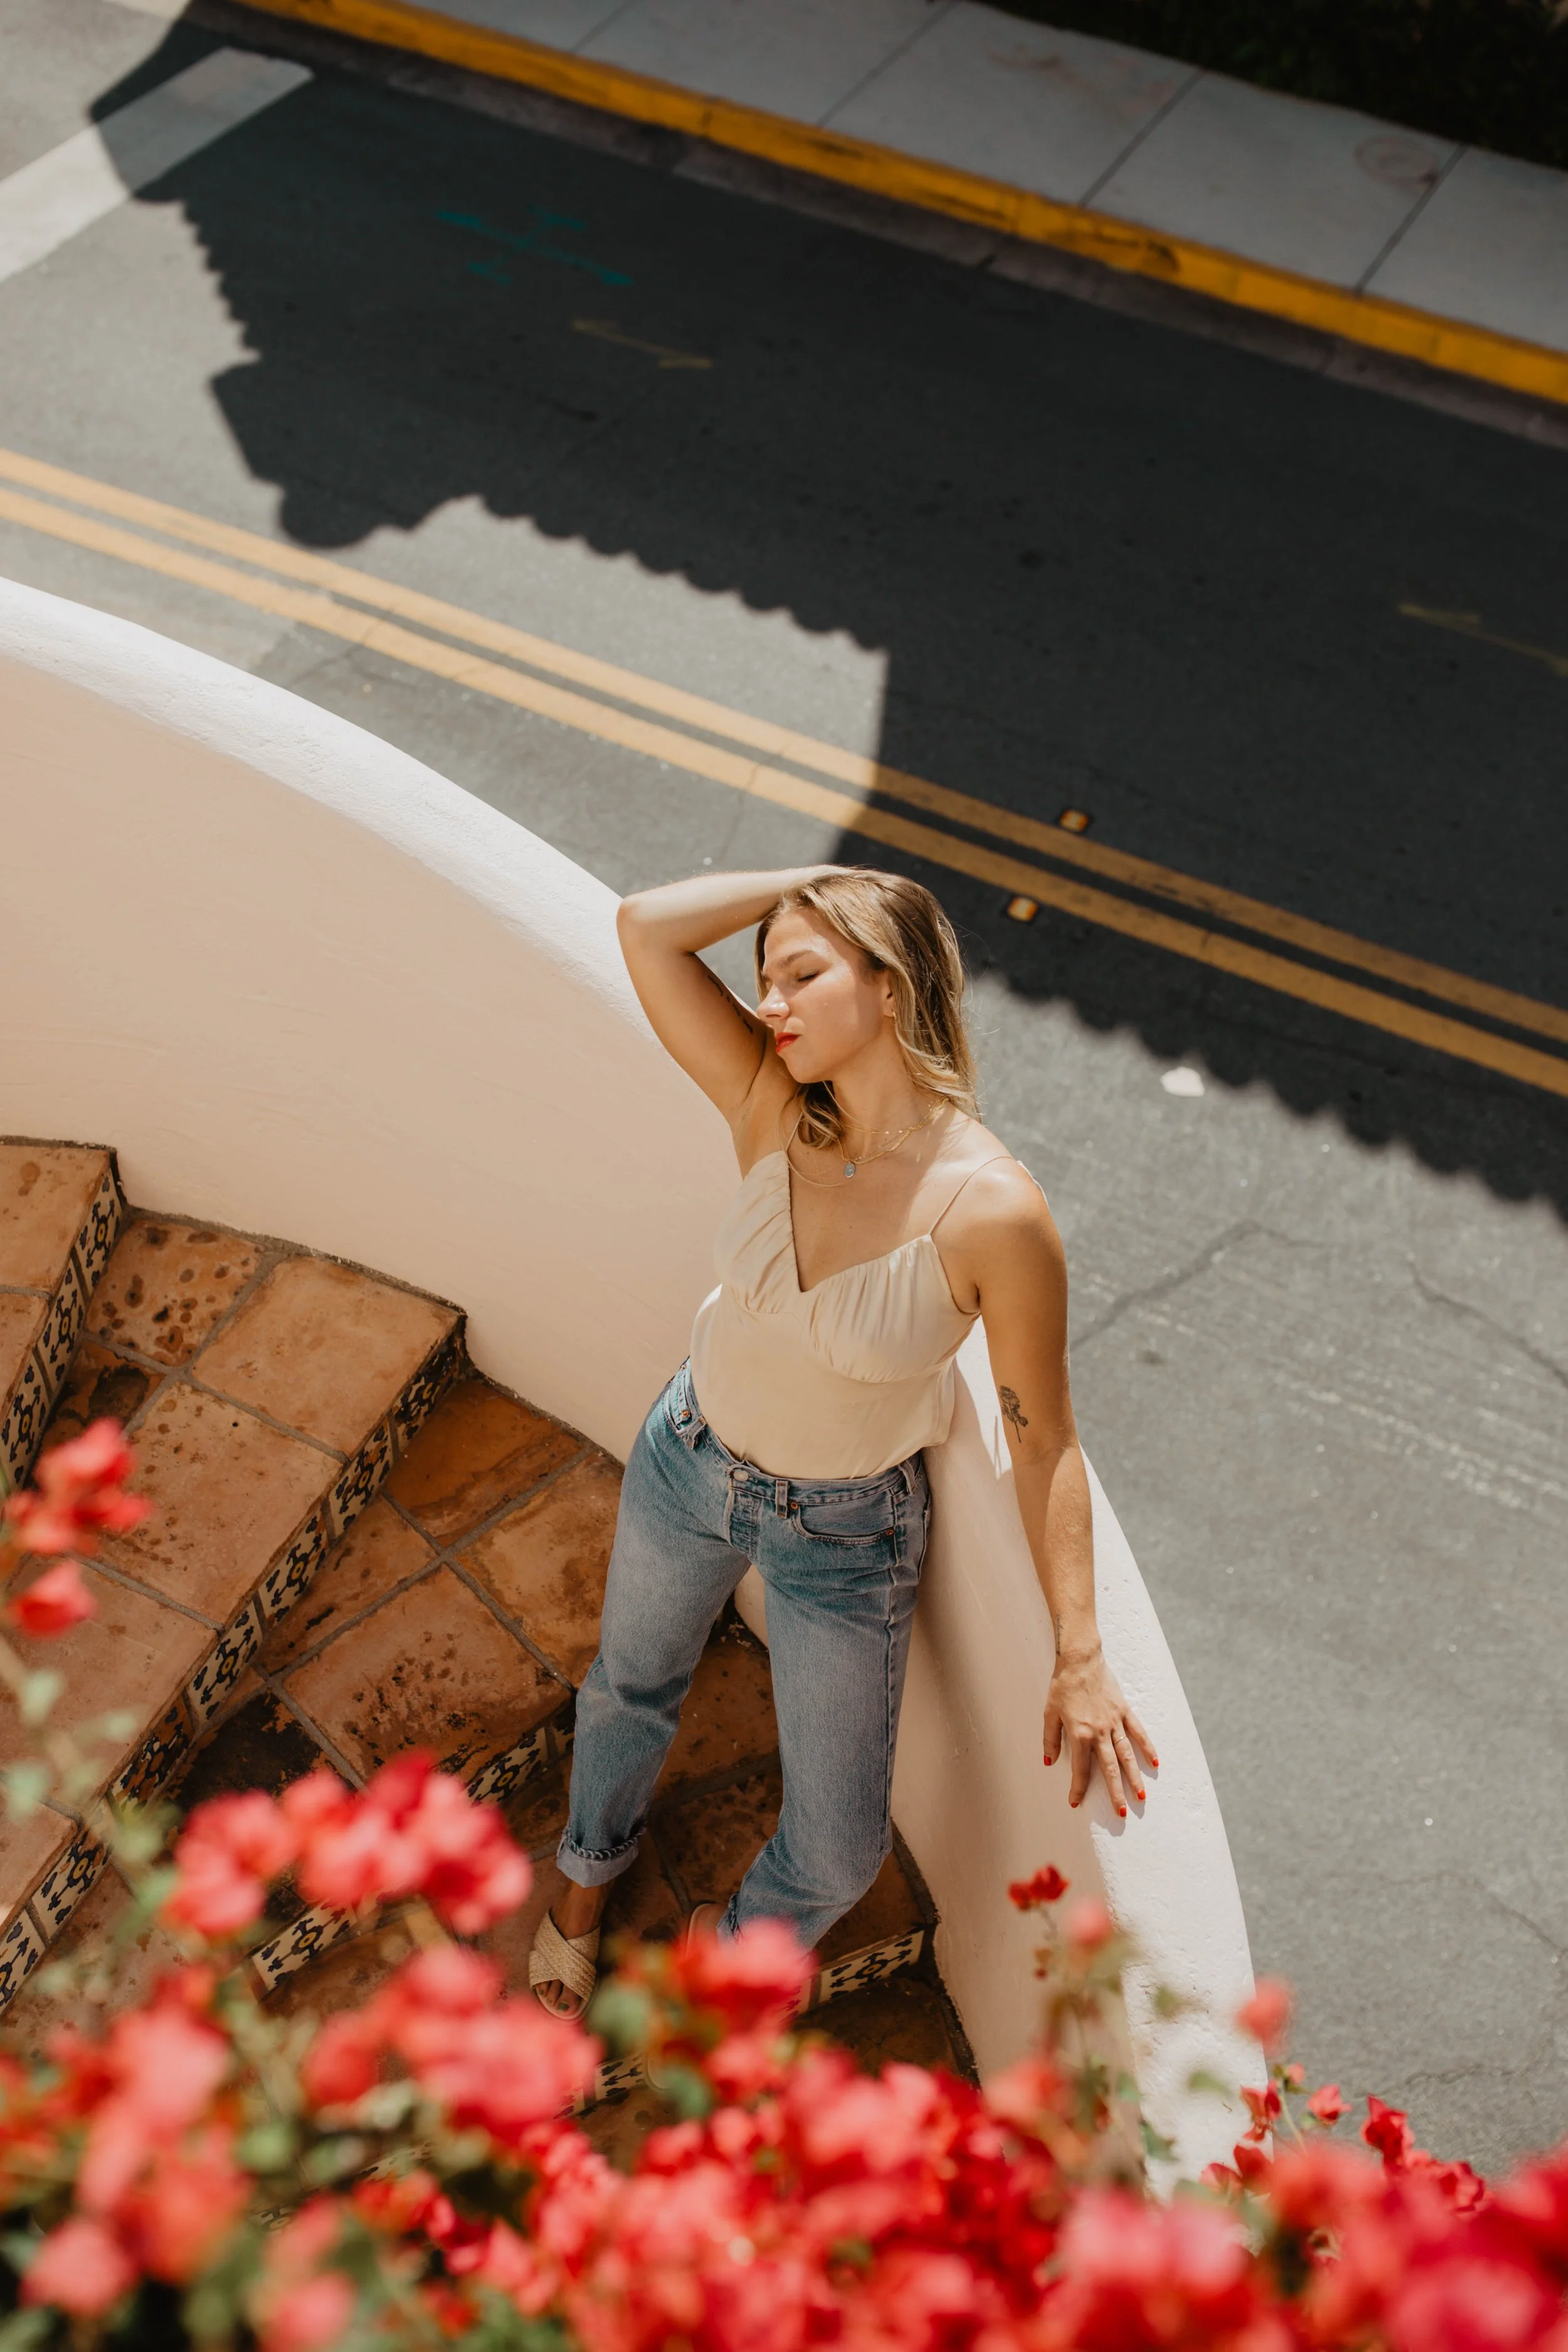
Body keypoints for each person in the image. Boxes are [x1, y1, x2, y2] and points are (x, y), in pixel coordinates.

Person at [529, 866, 1155, 2017]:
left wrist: (1079, 1651)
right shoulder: (770, 1105)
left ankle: (723, 1968)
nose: (771, 1003)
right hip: (688, 1455)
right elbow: (645, 930)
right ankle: (580, 1886)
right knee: (629, 1687)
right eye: (766, 979)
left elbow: (1043, 1436)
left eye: (803, 973)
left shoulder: (994, 1212)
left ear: (891, 976)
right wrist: (809, 885)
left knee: (839, 1848)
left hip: (845, 1532)